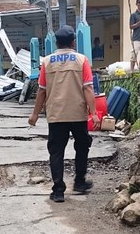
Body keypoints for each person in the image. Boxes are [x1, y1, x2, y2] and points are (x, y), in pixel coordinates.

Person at [28, 25, 99, 203]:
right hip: (77, 113)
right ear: (73, 42)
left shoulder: (47, 62)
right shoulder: (82, 60)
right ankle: (80, 182)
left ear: (56, 43)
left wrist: (35, 114)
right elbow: (88, 88)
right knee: (82, 146)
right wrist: (94, 113)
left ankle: (58, 190)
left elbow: (42, 90)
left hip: (56, 114)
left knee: (56, 151)